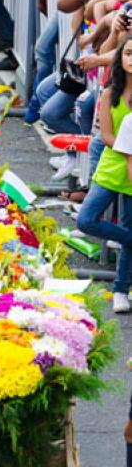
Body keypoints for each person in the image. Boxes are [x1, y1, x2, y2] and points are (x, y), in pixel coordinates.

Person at [77, 35, 132, 313]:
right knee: (86, 220)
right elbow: (107, 136)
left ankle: (121, 288)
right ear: (120, 58)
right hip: (113, 164)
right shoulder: (110, 93)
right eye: (129, 53)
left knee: (129, 223)